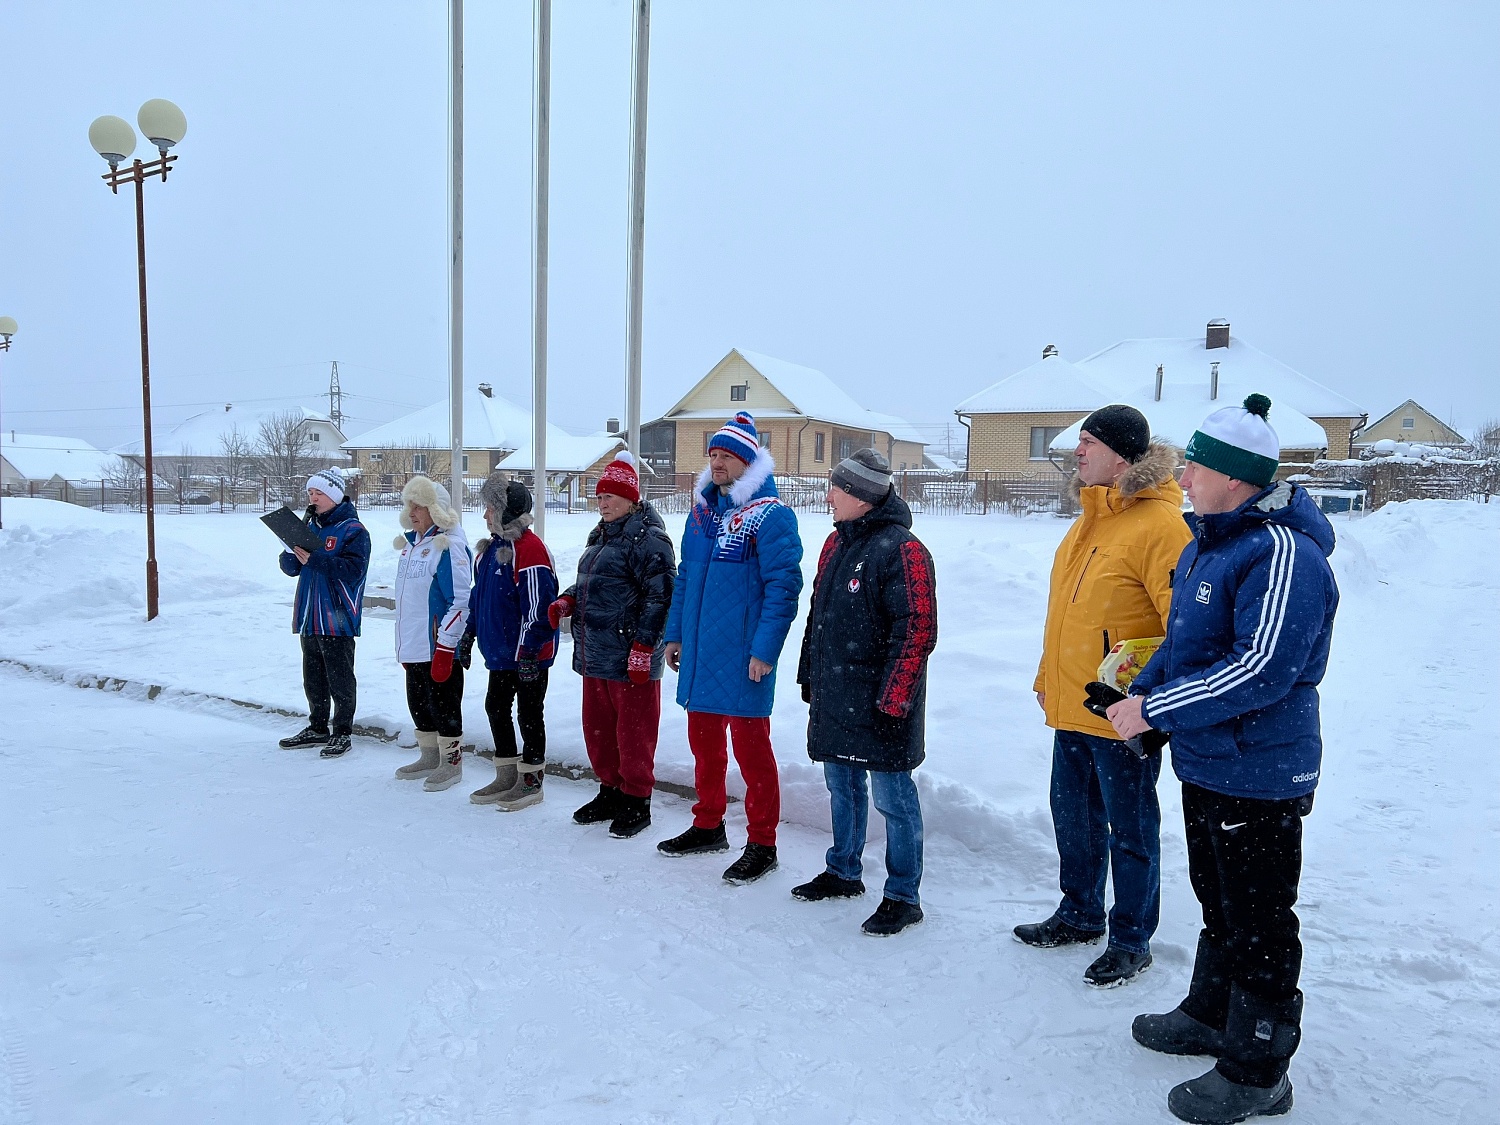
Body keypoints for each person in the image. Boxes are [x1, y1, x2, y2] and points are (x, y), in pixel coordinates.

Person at [1107, 395, 1338, 1124]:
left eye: (1195, 465)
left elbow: (1262, 667)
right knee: (1220, 902)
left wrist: (1158, 711)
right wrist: (1137, 693)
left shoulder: (1282, 553)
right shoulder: (1212, 541)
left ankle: (1258, 1067)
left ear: (1235, 478)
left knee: (1262, 918)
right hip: (1210, 763)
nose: (1181, 475)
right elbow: (1184, 647)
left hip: (1261, 772)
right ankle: (1211, 1014)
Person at [1014, 405, 1193, 987]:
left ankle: (1131, 937)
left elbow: (1183, 628)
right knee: (1074, 819)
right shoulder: (1086, 522)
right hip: (1072, 708)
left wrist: (1148, 700)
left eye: (1088, 442)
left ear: (1123, 455)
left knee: (1130, 828)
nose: (1078, 452)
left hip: (1122, 713)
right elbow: (1063, 619)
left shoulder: (1163, 527)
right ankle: (1079, 912)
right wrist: (1048, 677)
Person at [792, 449, 937, 936]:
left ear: (862, 497)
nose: (828, 496)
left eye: (837, 488)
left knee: (894, 799)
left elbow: (917, 629)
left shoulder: (904, 550)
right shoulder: (835, 546)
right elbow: (819, 616)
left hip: (881, 702)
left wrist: (894, 698)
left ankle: (902, 895)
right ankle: (843, 871)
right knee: (842, 788)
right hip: (838, 695)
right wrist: (810, 674)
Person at [659, 411, 804, 884]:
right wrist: (675, 633)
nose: (716, 462)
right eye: (713, 455)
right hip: (701, 652)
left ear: (748, 462)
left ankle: (763, 843)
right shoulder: (701, 513)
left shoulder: (772, 516)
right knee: (704, 745)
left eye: (726, 456)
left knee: (751, 751)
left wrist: (765, 650)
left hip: (744, 656)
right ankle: (708, 825)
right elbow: (685, 578)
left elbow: (783, 589)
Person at [547, 453, 675, 839]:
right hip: (595, 652)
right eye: (599, 496)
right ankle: (610, 790)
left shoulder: (651, 540)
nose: (602, 503)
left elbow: (661, 599)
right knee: (599, 731)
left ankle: (637, 799)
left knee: (633, 734)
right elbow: (591, 584)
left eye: (610, 497)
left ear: (631, 499)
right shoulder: (599, 535)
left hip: (630, 656)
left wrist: (643, 648)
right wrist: (568, 600)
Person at [467, 474, 558, 811]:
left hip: (528, 655)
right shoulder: (491, 551)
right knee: (496, 706)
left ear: (506, 512)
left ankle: (532, 781)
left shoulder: (529, 550)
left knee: (529, 713)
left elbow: (539, 609)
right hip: (503, 655)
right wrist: (468, 634)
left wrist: (530, 653)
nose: (485, 515)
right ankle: (506, 772)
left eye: (490, 508)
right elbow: (480, 598)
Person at [276, 467, 371, 758]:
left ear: (333, 495)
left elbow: (353, 572)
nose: (312, 498)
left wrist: (316, 560)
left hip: (337, 617)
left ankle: (343, 731)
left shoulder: (354, 531)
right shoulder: (311, 527)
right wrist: (288, 555)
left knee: (340, 677)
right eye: (309, 493)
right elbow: (294, 569)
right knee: (313, 675)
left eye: (318, 493)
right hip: (309, 615)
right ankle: (317, 726)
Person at [390, 476, 473, 793]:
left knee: (444, 706)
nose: (412, 512)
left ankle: (451, 764)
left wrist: (446, 647)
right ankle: (429, 756)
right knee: (419, 705)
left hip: (438, 646)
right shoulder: (412, 546)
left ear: (435, 510)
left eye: (419, 506)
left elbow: (460, 601)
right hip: (414, 645)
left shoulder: (448, 546)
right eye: (409, 505)